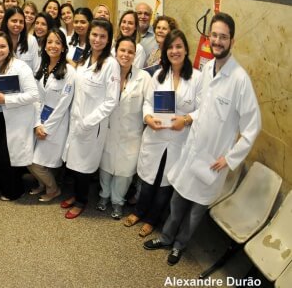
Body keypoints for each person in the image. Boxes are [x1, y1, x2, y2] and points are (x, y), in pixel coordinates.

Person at [144, 13, 261, 266]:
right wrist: (188, 119)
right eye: (214, 35)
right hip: (192, 150)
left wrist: (230, 158)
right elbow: (203, 110)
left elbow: (253, 127)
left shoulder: (240, 80)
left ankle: (179, 246)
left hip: (213, 160)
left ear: (232, 41)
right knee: (177, 201)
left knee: (195, 211)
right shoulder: (207, 69)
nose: (218, 41)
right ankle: (165, 238)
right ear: (209, 38)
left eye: (223, 37)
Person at [125, 29, 201, 238]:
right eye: (170, 47)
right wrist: (148, 118)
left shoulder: (197, 78)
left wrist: (186, 120)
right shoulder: (159, 75)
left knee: (165, 184)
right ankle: (139, 211)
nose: (174, 51)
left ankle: (152, 219)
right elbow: (148, 103)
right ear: (165, 51)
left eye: (179, 46)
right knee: (149, 180)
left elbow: (204, 109)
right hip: (156, 136)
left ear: (186, 49)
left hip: (179, 139)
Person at [61, 19, 120, 219]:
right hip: (76, 119)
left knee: (84, 167)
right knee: (73, 163)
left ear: (108, 39)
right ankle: (76, 194)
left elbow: (111, 101)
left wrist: (88, 121)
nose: (97, 39)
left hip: (92, 125)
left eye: (103, 36)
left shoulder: (111, 64)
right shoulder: (85, 57)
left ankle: (81, 201)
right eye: (94, 34)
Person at [97, 36, 150, 219]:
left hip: (131, 133)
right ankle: (104, 196)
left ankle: (118, 201)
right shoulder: (106, 72)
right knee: (105, 167)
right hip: (108, 129)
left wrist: (149, 118)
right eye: (122, 50)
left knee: (125, 172)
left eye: (130, 52)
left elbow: (148, 103)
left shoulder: (143, 77)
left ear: (135, 55)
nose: (126, 55)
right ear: (115, 51)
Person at [0, 31, 39, 201]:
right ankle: (1, 184)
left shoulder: (20, 67)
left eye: (2, 46)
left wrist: (7, 100)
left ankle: (14, 191)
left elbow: (33, 94)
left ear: (10, 48)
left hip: (16, 116)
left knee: (7, 156)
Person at [29, 29, 75, 202]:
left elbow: (64, 104)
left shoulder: (69, 72)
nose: (53, 46)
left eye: (57, 42)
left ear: (63, 47)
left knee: (36, 163)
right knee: (27, 157)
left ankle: (53, 189)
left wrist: (46, 127)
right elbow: (37, 98)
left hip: (57, 124)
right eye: (49, 42)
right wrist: (37, 123)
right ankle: (42, 185)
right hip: (39, 120)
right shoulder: (42, 68)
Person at [1, 7, 40, 73]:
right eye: (14, 21)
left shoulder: (31, 40)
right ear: (6, 22)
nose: (18, 24)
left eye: (21, 22)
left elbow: (36, 68)